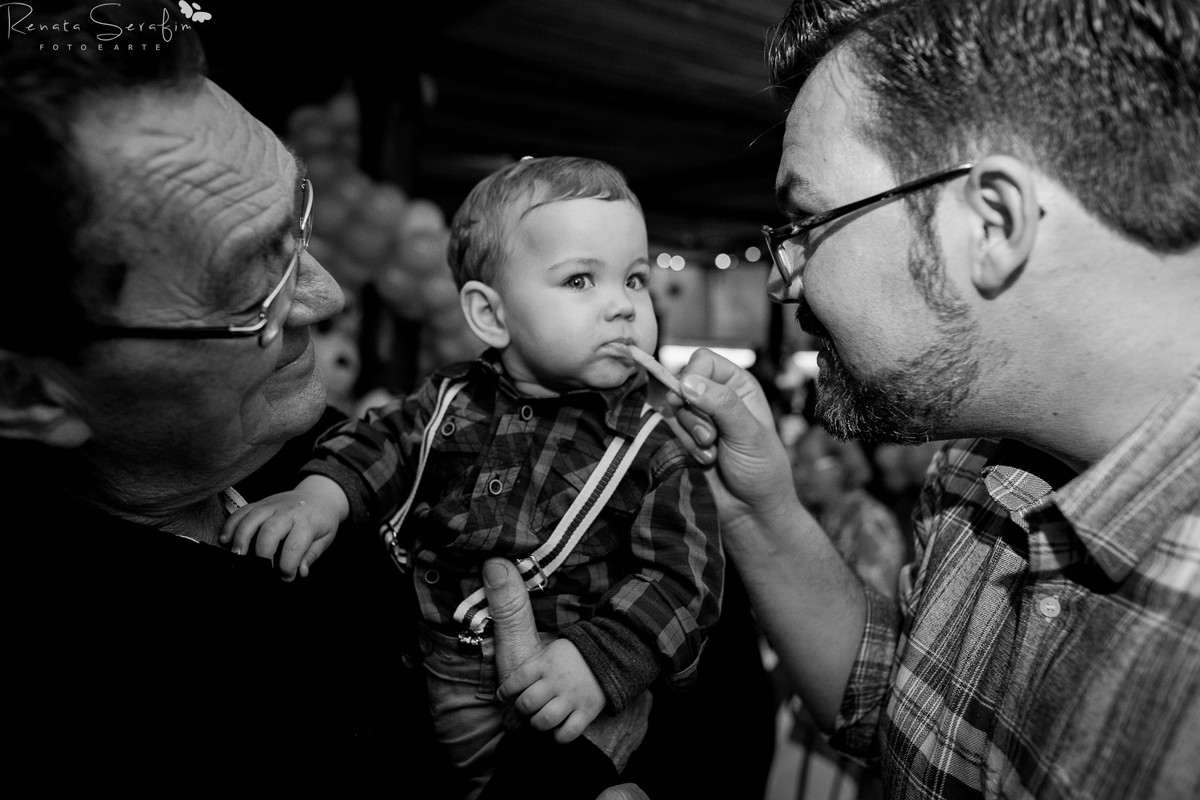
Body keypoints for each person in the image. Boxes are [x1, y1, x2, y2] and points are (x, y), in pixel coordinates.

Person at [490, 0, 1200, 797]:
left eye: (804, 221)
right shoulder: (975, 466)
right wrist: (755, 509)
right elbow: (891, 706)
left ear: (993, 223)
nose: (783, 276)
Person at [0, 4, 648, 795]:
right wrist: (569, 767)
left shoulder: (318, 452)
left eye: (296, 222)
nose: (326, 294)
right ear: (29, 391)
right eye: (250, 283)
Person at [223, 156, 724, 798]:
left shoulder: (657, 447)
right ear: (490, 316)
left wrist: (599, 660)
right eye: (579, 281)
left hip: (551, 702)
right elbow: (376, 442)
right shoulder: (448, 399)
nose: (623, 308)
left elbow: (687, 579)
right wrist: (318, 497)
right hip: (414, 675)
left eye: (634, 280)